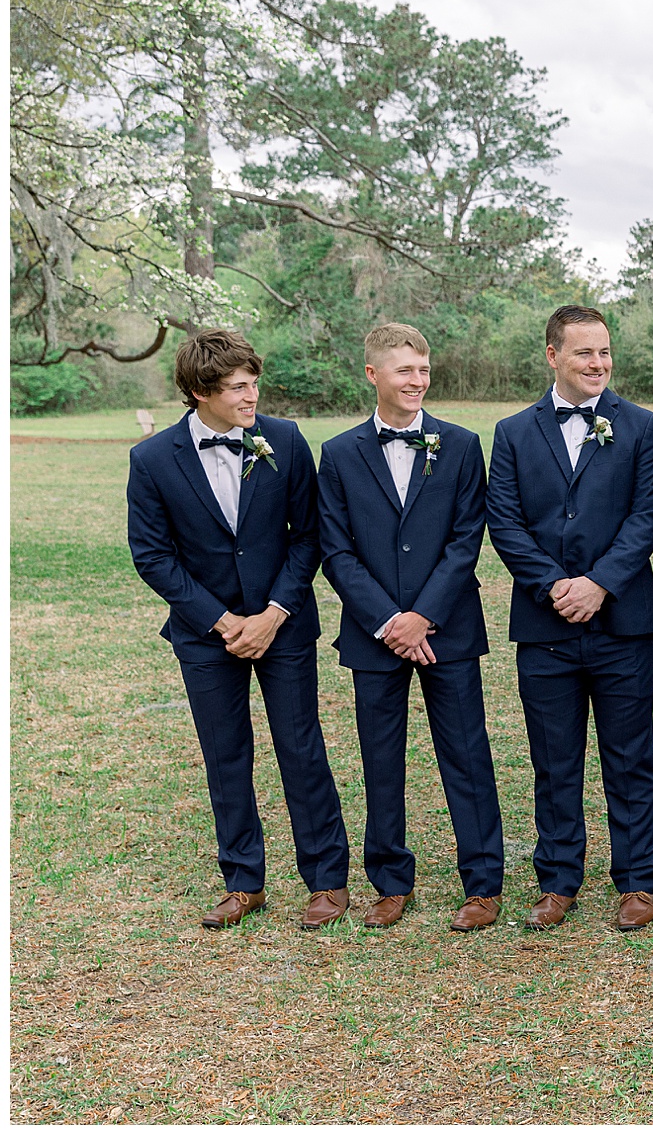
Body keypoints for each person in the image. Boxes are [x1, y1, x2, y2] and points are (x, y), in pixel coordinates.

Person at [126, 328, 350, 929]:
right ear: (200, 392)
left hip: (284, 625)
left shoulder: (285, 439)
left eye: (253, 384)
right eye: (236, 388)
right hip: (205, 635)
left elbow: (309, 536)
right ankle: (243, 881)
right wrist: (223, 621)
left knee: (301, 749)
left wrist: (274, 613)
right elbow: (152, 556)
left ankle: (327, 880)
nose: (252, 397)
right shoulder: (152, 459)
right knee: (225, 756)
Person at [486, 305, 653, 931]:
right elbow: (505, 523)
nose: (598, 364)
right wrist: (554, 587)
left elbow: (647, 515)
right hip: (545, 628)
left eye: (604, 352)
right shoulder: (513, 432)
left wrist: (599, 584)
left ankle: (637, 881)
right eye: (584, 352)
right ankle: (558, 879)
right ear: (553, 356)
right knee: (554, 760)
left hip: (623, 623)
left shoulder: (641, 426)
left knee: (630, 758)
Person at [317, 323, 504, 932]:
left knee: (467, 754)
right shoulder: (339, 454)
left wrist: (423, 616)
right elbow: (335, 550)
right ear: (374, 374)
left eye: (423, 370)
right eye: (404, 371)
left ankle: (483, 884)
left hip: (447, 628)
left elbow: (465, 539)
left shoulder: (461, 445)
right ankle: (390, 881)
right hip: (373, 635)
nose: (417, 381)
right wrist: (388, 620)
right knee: (380, 759)